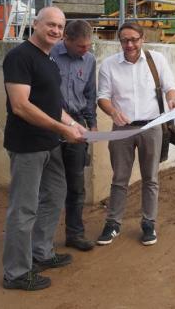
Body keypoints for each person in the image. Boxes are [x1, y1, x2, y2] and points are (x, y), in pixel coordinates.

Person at [1, 6, 87, 291]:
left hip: (50, 144)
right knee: (23, 208)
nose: (56, 30)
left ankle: (41, 252)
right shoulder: (19, 57)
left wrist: (73, 124)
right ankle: (16, 273)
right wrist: (64, 130)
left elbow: (53, 105)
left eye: (60, 27)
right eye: (50, 24)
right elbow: (21, 106)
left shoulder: (48, 60)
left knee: (54, 196)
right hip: (27, 146)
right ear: (35, 24)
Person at [96, 22, 175, 247]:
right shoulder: (109, 65)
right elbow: (102, 96)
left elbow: (170, 86)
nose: (129, 44)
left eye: (134, 39)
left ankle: (148, 223)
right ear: (119, 41)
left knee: (150, 178)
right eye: (125, 40)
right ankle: (113, 223)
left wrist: (171, 98)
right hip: (122, 129)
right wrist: (113, 111)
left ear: (142, 39)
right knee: (119, 178)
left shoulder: (156, 60)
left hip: (152, 127)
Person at [50, 19, 98, 252]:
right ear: (65, 39)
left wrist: (92, 124)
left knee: (76, 184)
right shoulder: (49, 55)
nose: (85, 50)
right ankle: (43, 241)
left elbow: (90, 94)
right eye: (80, 46)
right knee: (49, 185)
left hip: (78, 124)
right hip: (49, 124)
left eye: (88, 45)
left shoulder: (89, 60)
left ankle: (75, 234)